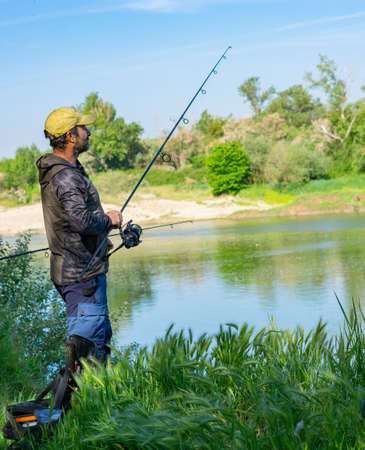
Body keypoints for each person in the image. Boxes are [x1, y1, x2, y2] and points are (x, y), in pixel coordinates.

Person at [37, 106, 122, 363]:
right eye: (83, 128)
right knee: (86, 354)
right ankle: (81, 402)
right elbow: (81, 220)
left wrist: (97, 239)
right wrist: (109, 220)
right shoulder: (66, 176)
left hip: (81, 272)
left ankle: (94, 399)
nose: (88, 132)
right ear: (71, 136)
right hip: (81, 277)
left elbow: (71, 222)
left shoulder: (65, 171)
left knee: (97, 343)